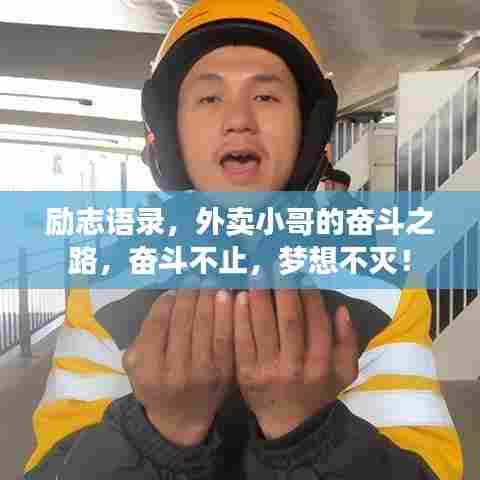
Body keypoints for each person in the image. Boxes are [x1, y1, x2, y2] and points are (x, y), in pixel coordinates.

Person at [24, 1, 462, 479]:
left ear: (308, 131)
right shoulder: (105, 287)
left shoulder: (383, 286)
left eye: (267, 97)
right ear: (169, 133)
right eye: (209, 98)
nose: (238, 119)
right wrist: (156, 432)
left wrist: (312, 434)